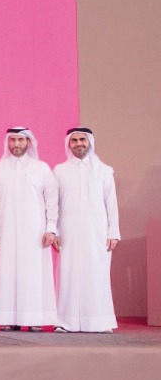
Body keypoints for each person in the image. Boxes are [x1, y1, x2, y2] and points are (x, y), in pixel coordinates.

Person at [0, 127, 59, 331]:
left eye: (20, 140)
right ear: (8, 142)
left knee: (34, 274)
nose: (16, 144)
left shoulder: (41, 168)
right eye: (13, 140)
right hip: (5, 231)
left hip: (35, 233)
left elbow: (52, 201)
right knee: (6, 273)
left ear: (29, 142)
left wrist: (51, 228)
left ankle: (34, 319)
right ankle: (9, 319)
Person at [54, 127, 120, 333]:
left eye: (82, 139)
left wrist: (113, 232)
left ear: (89, 142)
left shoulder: (104, 170)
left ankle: (100, 322)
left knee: (96, 273)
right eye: (74, 141)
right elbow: (54, 205)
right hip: (68, 230)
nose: (78, 144)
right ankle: (65, 322)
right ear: (68, 144)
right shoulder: (59, 170)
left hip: (97, 231)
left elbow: (111, 203)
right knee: (68, 273)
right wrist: (54, 231)